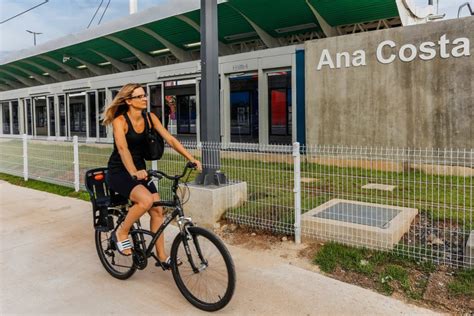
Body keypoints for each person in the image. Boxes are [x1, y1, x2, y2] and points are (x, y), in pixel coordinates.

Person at [102, 83, 202, 267]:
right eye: (139, 96)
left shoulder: (150, 118)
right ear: (129, 101)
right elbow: (123, 149)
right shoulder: (120, 121)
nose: (145, 99)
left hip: (140, 172)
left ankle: (162, 258)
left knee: (157, 211)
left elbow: (170, 139)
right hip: (120, 172)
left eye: (144, 95)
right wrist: (133, 172)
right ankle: (121, 233)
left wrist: (191, 158)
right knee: (146, 201)